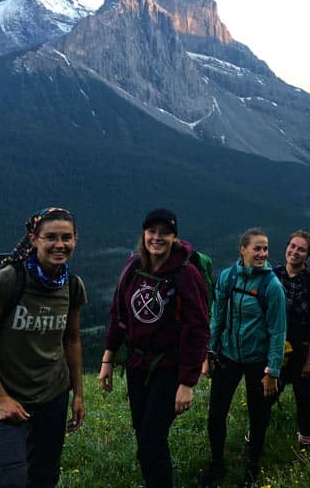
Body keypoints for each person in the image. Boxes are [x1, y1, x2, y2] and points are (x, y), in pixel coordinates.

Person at [0, 207, 86, 487]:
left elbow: (71, 340)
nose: (59, 244)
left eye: (66, 237)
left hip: (52, 397)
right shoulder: (8, 280)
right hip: (7, 399)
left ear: (75, 239)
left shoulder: (72, 285)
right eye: (50, 237)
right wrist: (0, 398)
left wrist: (78, 394)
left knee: (44, 478)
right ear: (34, 239)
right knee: (13, 480)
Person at [99, 209, 210, 488]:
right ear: (144, 234)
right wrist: (107, 359)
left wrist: (187, 383)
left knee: (151, 440)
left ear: (174, 238)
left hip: (169, 367)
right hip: (137, 364)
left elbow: (197, 329)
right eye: (152, 231)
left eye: (165, 233)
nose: (157, 238)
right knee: (143, 434)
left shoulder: (186, 273)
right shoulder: (133, 266)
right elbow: (119, 314)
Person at [198, 228, 286, 487]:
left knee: (258, 416)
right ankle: (217, 464)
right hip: (227, 355)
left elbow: (278, 332)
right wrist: (209, 353)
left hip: (258, 360)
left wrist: (273, 371)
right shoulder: (228, 277)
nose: (262, 253)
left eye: (265, 248)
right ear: (243, 249)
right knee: (216, 414)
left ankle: (252, 467)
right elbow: (218, 318)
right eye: (257, 248)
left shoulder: (272, 286)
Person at [274, 230, 310, 454]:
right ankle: (252, 444)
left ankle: (305, 447)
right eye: (293, 246)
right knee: (264, 396)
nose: (295, 252)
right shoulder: (273, 275)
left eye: (301, 250)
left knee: (304, 400)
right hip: (275, 348)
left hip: (301, 350)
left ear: (308, 256)